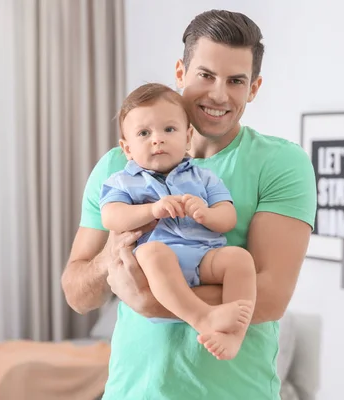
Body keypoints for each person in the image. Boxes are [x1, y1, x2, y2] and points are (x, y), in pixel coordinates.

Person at [62, 9, 317, 399]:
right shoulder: (119, 168)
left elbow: (269, 297)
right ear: (181, 73)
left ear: (254, 87)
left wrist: (149, 299)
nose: (219, 93)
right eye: (206, 75)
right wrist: (108, 262)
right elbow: (78, 292)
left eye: (236, 81)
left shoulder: (280, 163)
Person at [99, 82, 256, 361]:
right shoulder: (122, 181)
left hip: (203, 257)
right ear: (127, 148)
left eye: (168, 130)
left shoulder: (203, 177)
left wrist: (206, 214)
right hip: (157, 267)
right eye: (144, 133)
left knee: (239, 259)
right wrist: (152, 210)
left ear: (187, 137)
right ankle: (202, 317)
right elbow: (111, 216)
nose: (157, 139)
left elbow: (228, 216)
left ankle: (233, 336)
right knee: (150, 251)